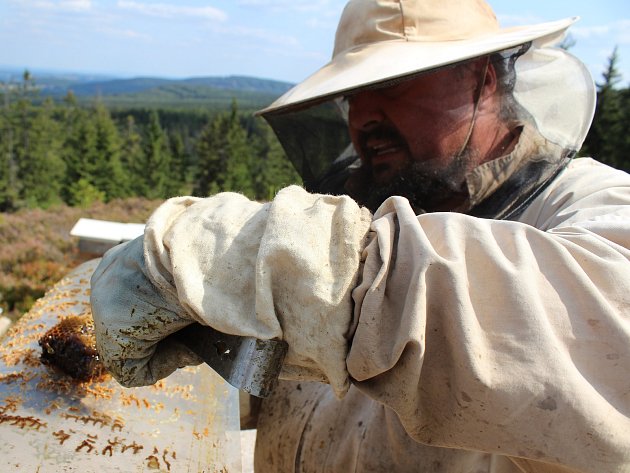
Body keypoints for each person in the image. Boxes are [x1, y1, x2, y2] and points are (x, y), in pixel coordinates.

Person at [90, 0, 630, 472]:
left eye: (392, 83)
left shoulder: (592, 207)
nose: (363, 116)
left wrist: (251, 257)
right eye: (352, 95)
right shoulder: (364, 210)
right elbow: (270, 376)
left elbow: (603, 347)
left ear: (484, 79)